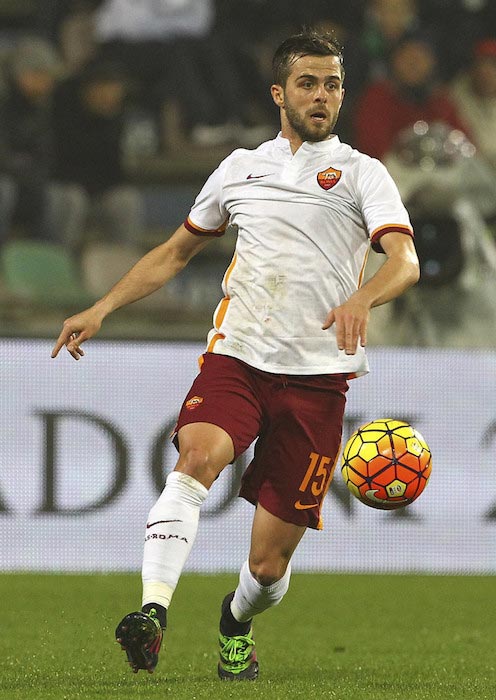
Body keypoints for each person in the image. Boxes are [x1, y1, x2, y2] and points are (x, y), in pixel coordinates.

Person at [51, 29, 420, 680]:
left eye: (333, 83)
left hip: (318, 380)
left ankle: (235, 623)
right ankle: (153, 613)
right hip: (239, 356)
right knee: (197, 456)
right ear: (279, 92)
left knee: (268, 568)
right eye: (308, 82)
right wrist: (102, 307)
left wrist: (363, 298)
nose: (322, 94)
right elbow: (175, 253)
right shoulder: (238, 168)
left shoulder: (365, 175)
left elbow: (406, 263)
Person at [50, 58, 145, 250]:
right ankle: (60, 264)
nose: (110, 97)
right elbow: (56, 165)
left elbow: (117, 171)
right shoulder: (61, 113)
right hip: (63, 188)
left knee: (126, 200)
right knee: (72, 199)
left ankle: (123, 269)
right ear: (90, 89)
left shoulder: (116, 119)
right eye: (105, 90)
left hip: (99, 192)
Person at [354, 31, 470, 161]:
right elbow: (373, 151)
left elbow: (465, 147)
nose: (413, 63)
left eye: (421, 57)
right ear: (394, 60)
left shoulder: (439, 100)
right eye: (407, 55)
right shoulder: (377, 97)